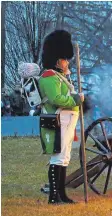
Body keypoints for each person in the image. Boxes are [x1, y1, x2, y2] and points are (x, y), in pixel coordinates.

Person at [39, 30, 84, 204]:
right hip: (58, 119)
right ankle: (53, 196)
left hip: (67, 120)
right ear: (58, 60)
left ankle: (62, 194)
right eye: (65, 59)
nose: (67, 63)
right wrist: (75, 99)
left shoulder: (60, 77)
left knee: (65, 158)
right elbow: (56, 99)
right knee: (57, 157)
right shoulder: (49, 77)